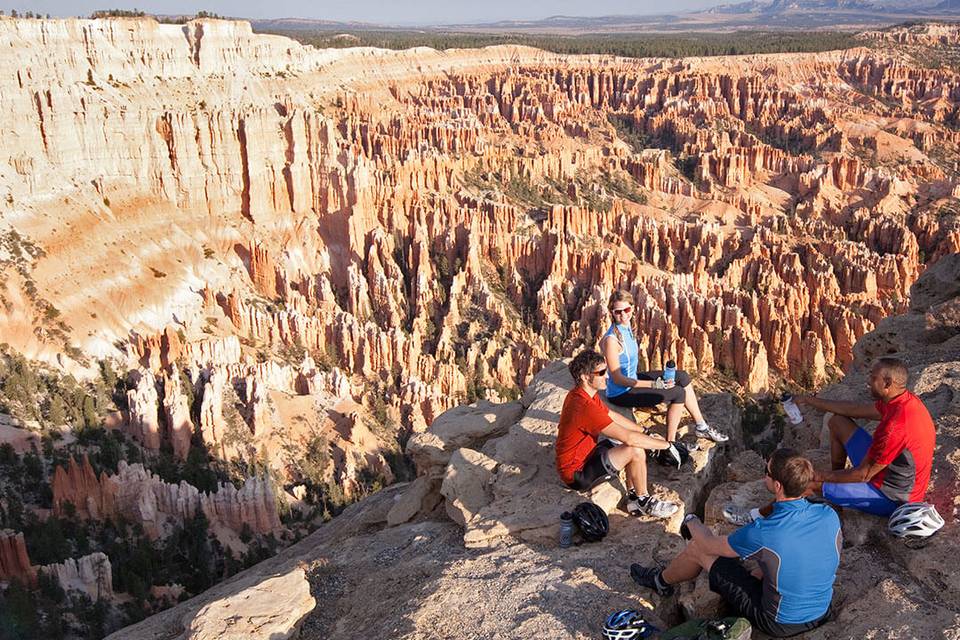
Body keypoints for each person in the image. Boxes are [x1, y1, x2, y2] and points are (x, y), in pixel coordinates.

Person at [631, 449, 839, 638]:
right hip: (821, 610)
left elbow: (708, 545)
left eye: (766, 470)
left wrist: (691, 520)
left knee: (697, 550)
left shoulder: (764, 532)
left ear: (777, 485)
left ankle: (660, 580)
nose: (763, 474)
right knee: (772, 562)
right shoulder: (828, 514)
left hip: (780, 622)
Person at [724, 357, 935, 525]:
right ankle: (833, 495)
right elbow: (853, 411)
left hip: (893, 495)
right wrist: (809, 400)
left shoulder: (896, 427)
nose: (868, 382)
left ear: (887, 383)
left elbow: (863, 475)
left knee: (805, 484)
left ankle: (755, 516)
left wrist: (820, 476)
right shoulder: (903, 401)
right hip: (890, 471)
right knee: (838, 422)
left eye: (873, 378)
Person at [556, 349, 683, 518]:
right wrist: (667, 445)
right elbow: (629, 438)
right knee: (634, 448)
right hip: (577, 473)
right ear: (585, 377)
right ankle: (643, 501)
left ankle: (632, 498)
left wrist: (646, 432)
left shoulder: (584, 395)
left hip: (586, 455)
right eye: (601, 373)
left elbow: (611, 415)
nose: (607, 376)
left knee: (631, 443)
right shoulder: (584, 406)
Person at [600, 290, 728, 444]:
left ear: (632, 309)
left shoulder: (628, 328)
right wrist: (655, 384)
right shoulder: (612, 340)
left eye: (626, 310)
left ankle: (701, 426)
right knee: (678, 393)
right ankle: (670, 444)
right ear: (612, 313)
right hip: (620, 393)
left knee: (682, 376)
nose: (623, 315)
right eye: (618, 312)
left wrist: (655, 383)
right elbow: (618, 378)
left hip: (632, 380)